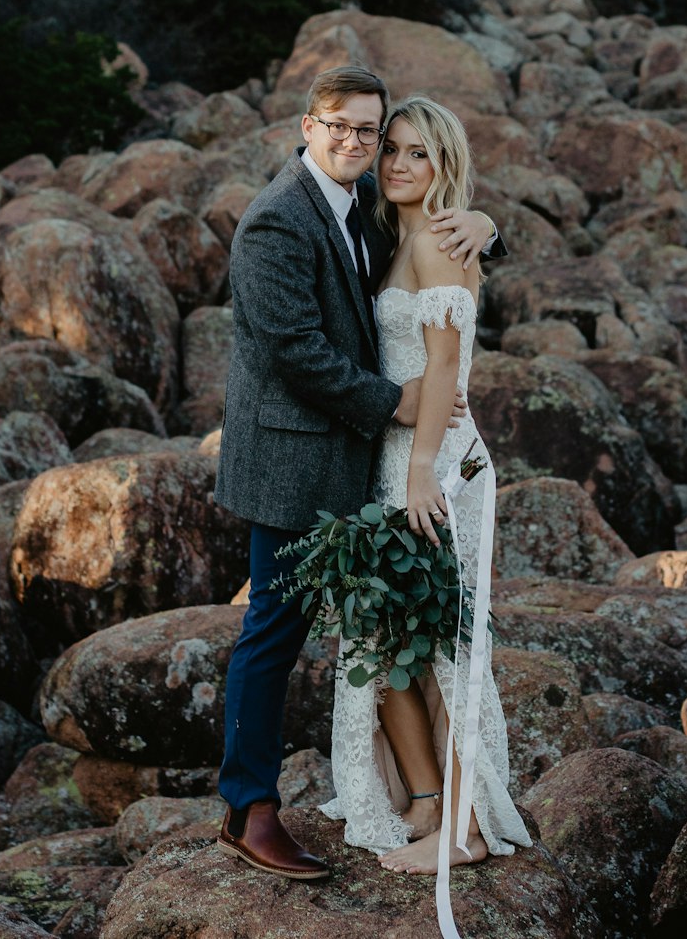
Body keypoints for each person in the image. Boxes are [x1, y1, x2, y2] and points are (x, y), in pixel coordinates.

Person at [214, 66, 499, 881]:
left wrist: (483, 221)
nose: (354, 142)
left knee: (389, 635)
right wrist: (396, 406)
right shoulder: (277, 221)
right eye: (337, 126)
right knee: (273, 632)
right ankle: (248, 809)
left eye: (367, 132)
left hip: (356, 463)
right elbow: (294, 352)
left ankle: (431, 799)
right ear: (308, 125)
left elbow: (433, 247)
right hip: (293, 464)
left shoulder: (362, 208)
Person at [320, 95, 531, 890]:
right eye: (394, 151)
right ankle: (424, 800)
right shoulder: (391, 235)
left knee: (447, 644)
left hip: (438, 467)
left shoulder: (444, 241)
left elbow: (445, 370)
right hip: (392, 457)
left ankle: (469, 830)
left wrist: (420, 471)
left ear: (446, 165)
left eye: (419, 154)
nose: (401, 165)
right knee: (387, 641)